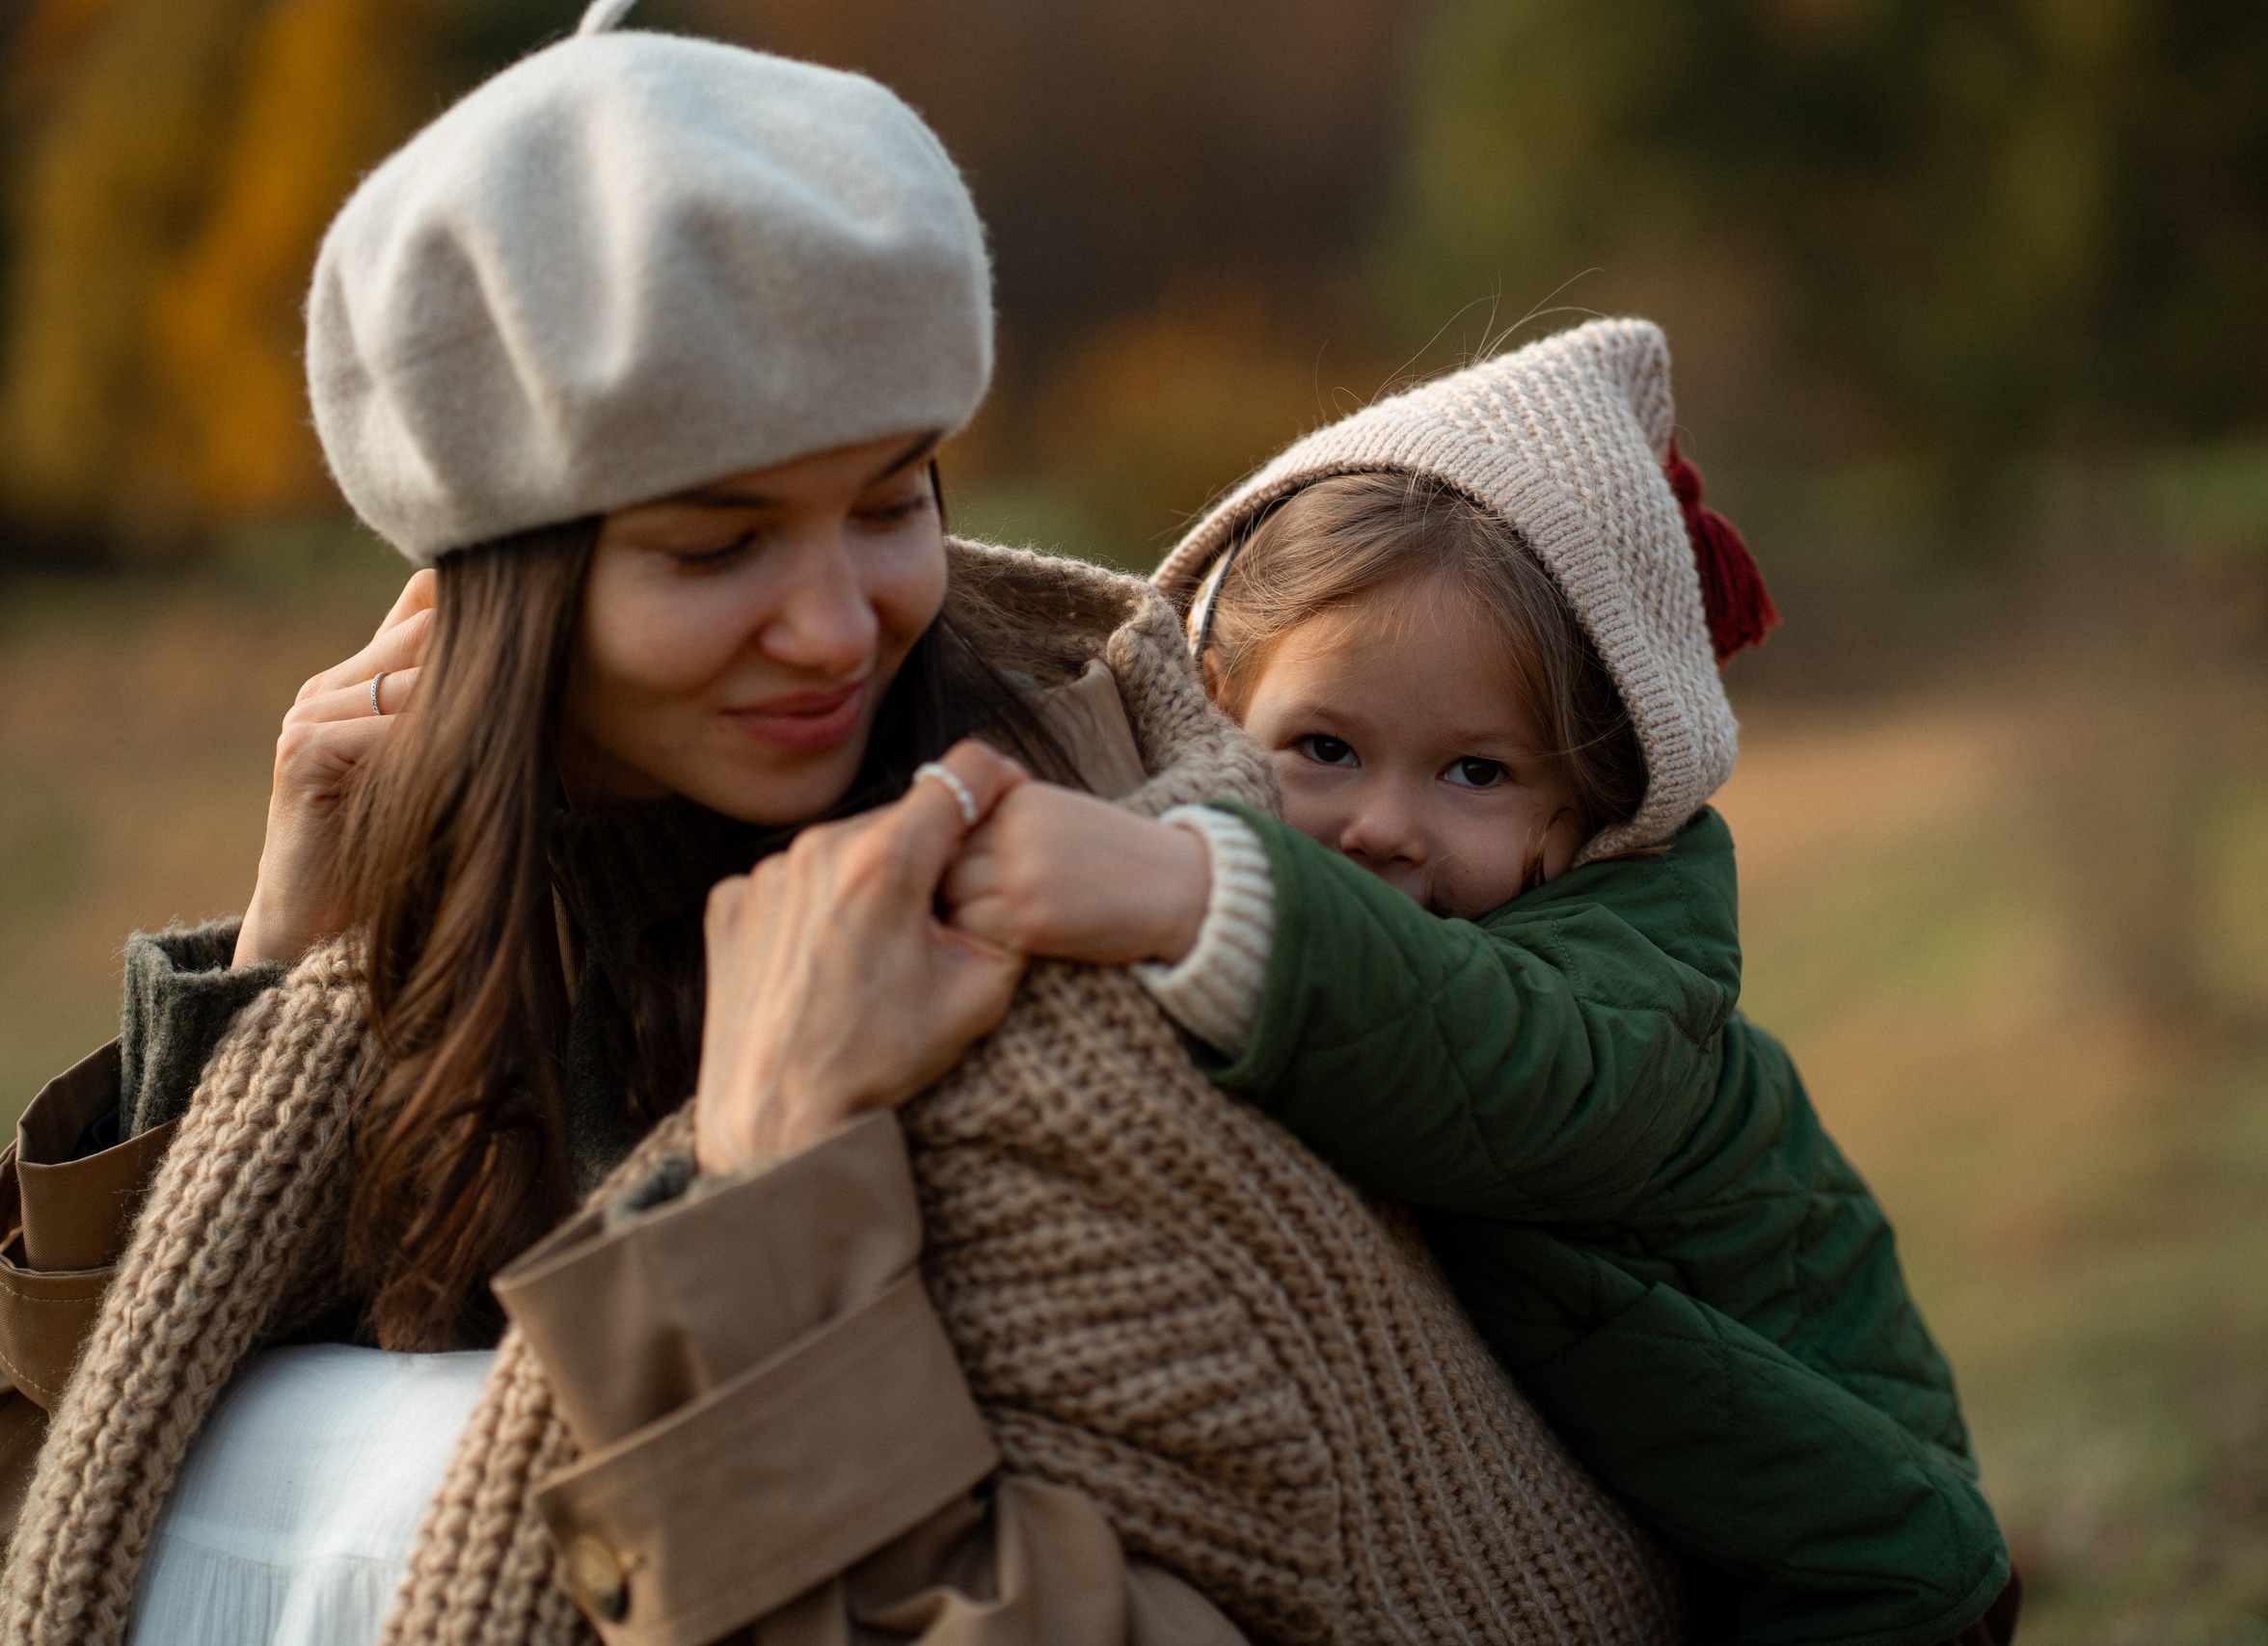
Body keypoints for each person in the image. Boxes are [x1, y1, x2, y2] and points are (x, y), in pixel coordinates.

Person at [0, 16, 1678, 1646]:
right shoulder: (441, 946)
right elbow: (117, 1480)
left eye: (891, 504)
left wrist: (771, 1186)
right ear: (501, 596)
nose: (833, 626)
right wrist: (286, 955)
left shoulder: (1085, 934)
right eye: (719, 548)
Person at [941, 320, 2023, 1646]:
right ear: (1214, 707)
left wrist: (1197, 894)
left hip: (1866, 1562)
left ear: (1579, 817)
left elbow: (1493, 1061)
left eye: (1474, 773)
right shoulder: (1359, 862)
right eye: (1325, 746)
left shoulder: (1623, 993)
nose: (1382, 825)